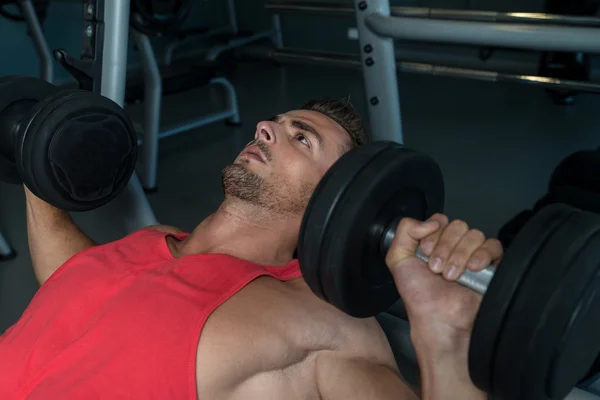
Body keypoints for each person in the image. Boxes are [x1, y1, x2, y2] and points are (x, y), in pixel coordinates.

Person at [0, 98, 503, 399]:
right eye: (276, 123)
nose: (265, 128)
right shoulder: (152, 241)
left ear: (341, 196)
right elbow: (69, 276)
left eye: (301, 139)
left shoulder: (324, 325)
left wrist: (445, 337)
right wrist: (36, 155)